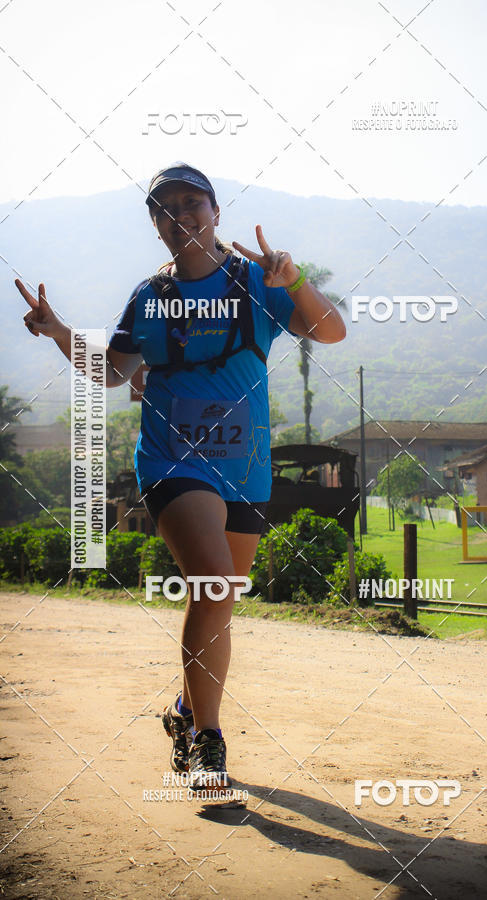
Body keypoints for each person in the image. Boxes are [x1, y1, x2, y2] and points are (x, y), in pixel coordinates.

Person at [16, 162, 346, 796]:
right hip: (171, 460)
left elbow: (329, 330)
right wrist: (57, 330)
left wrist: (296, 281)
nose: (180, 216)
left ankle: (187, 712)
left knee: (218, 598)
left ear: (215, 211)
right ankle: (209, 746)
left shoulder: (259, 283)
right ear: (156, 227)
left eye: (191, 202)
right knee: (215, 583)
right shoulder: (150, 296)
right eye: (164, 210)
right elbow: (112, 372)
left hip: (245, 469)